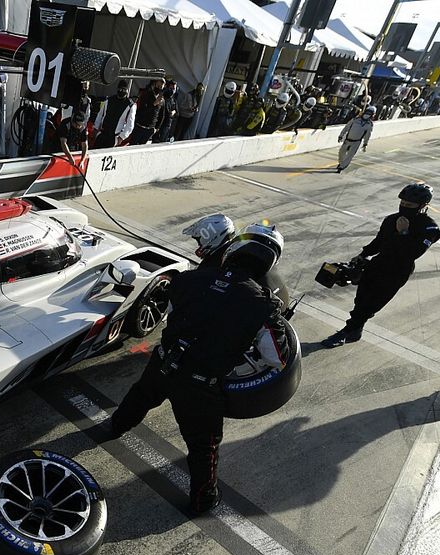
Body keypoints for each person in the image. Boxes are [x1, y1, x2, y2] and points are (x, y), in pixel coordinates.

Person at [108, 226, 288, 514]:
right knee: (204, 447)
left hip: (163, 363)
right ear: (270, 262)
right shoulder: (262, 304)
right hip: (200, 386)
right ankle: (204, 499)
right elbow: (275, 358)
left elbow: (169, 313)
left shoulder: (188, 279)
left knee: (140, 396)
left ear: (233, 250)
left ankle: (115, 427)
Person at [322, 183, 438, 348]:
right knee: (361, 298)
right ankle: (355, 330)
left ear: (422, 206)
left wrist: (403, 232)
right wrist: (363, 254)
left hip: (398, 270)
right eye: (402, 203)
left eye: (409, 205)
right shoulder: (391, 219)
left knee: (372, 302)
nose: (404, 207)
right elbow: (379, 241)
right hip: (378, 263)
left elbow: (413, 253)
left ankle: (349, 331)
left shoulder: (429, 227)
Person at [93, 80, 136, 148]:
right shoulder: (109, 100)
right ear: (117, 89)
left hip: (114, 136)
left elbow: (130, 125)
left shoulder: (130, 105)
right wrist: (96, 128)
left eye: (124, 89)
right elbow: (100, 115)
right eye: (120, 89)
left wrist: (121, 137)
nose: (121, 91)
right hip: (103, 133)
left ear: (127, 90)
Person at [336, 106, 374, 173]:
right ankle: (341, 163)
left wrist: (365, 143)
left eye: (369, 114)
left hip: (356, 142)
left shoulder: (369, 125)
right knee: (341, 152)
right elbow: (346, 127)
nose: (367, 115)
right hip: (348, 139)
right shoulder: (355, 120)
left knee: (350, 155)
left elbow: (367, 135)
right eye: (366, 113)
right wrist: (341, 135)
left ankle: (342, 167)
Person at [129, 79, 164, 145]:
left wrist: (157, 128)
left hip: (150, 129)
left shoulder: (161, 99)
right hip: (140, 126)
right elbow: (141, 111)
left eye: (161, 87)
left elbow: (162, 114)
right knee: (133, 145)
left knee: (142, 146)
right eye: (158, 86)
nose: (159, 88)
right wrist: (153, 104)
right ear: (154, 84)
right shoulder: (146, 94)